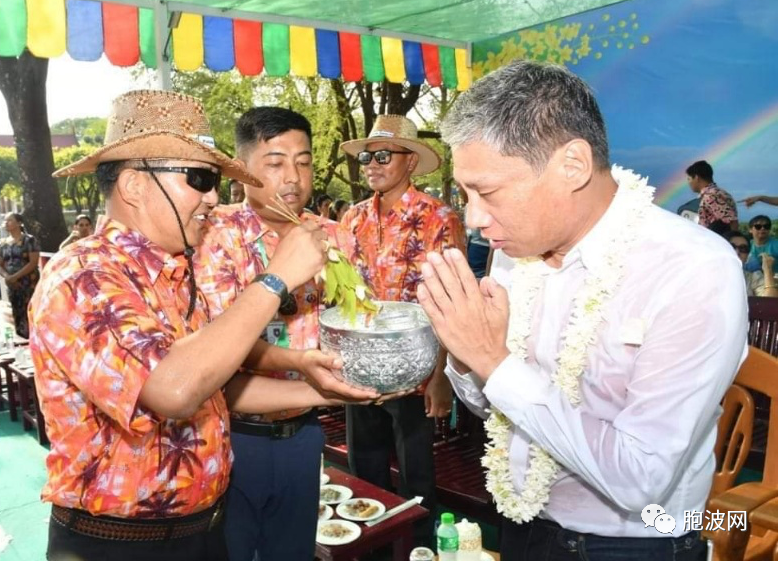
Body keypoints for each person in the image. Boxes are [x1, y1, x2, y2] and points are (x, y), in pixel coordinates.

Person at [418, 60, 747, 561]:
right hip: (521, 524)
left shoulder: (693, 269)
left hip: (630, 546)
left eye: (486, 191)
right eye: (465, 192)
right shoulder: (513, 250)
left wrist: (493, 361)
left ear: (572, 165)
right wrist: (466, 356)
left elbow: (640, 478)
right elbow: (493, 408)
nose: (474, 217)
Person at [31, 90, 358, 561]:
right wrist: (276, 277)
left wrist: (327, 391)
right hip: (118, 546)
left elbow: (214, 391)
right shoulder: (83, 275)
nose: (213, 197)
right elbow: (173, 390)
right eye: (200, 178)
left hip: (201, 532)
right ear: (135, 186)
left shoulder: (175, 275)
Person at [194, 107, 380, 560]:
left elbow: (354, 320)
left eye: (303, 161)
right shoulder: (215, 236)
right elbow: (224, 344)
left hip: (305, 432)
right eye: (275, 163)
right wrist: (301, 364)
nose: (292, 176)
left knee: (293, 551)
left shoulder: (335, 237)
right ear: (243, 171)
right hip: (232, 434)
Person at [336, 114, 466, 546]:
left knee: (416, 481)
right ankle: (370, 549)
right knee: (364, 473)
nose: (371, 164)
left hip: (417, 373)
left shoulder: (439, 218)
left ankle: (419, 551)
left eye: (383, 155)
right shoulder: (351, 219)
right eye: (367, 156)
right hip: (359, 372)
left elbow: (452, 300)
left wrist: (442, 375)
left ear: (410, 161)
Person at [0, 212, 40, 338]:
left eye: (9, 220)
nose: (6, 223)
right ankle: (21, 339)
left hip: (28, 283)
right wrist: (8, 277)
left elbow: (33, 262)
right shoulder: (3, 243)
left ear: (19, 223)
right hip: (13, 286)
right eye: (5, 221)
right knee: (17, 312)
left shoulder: (29, 240)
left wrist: (16, 276)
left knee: (31, 312)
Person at [685, 160, 739, 230]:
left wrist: (731, 239)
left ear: (696, 177)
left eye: (689, 179)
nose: (689, 183)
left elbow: (732, 222)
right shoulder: (718, 192)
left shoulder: (711, 196)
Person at [726, 231, 777, 297]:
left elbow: (770, 302)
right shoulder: (709, 274)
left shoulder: (752, 278)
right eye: (731, 247)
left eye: (743, 248)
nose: (737, 252)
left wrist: (768, 270)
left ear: (747, 256)